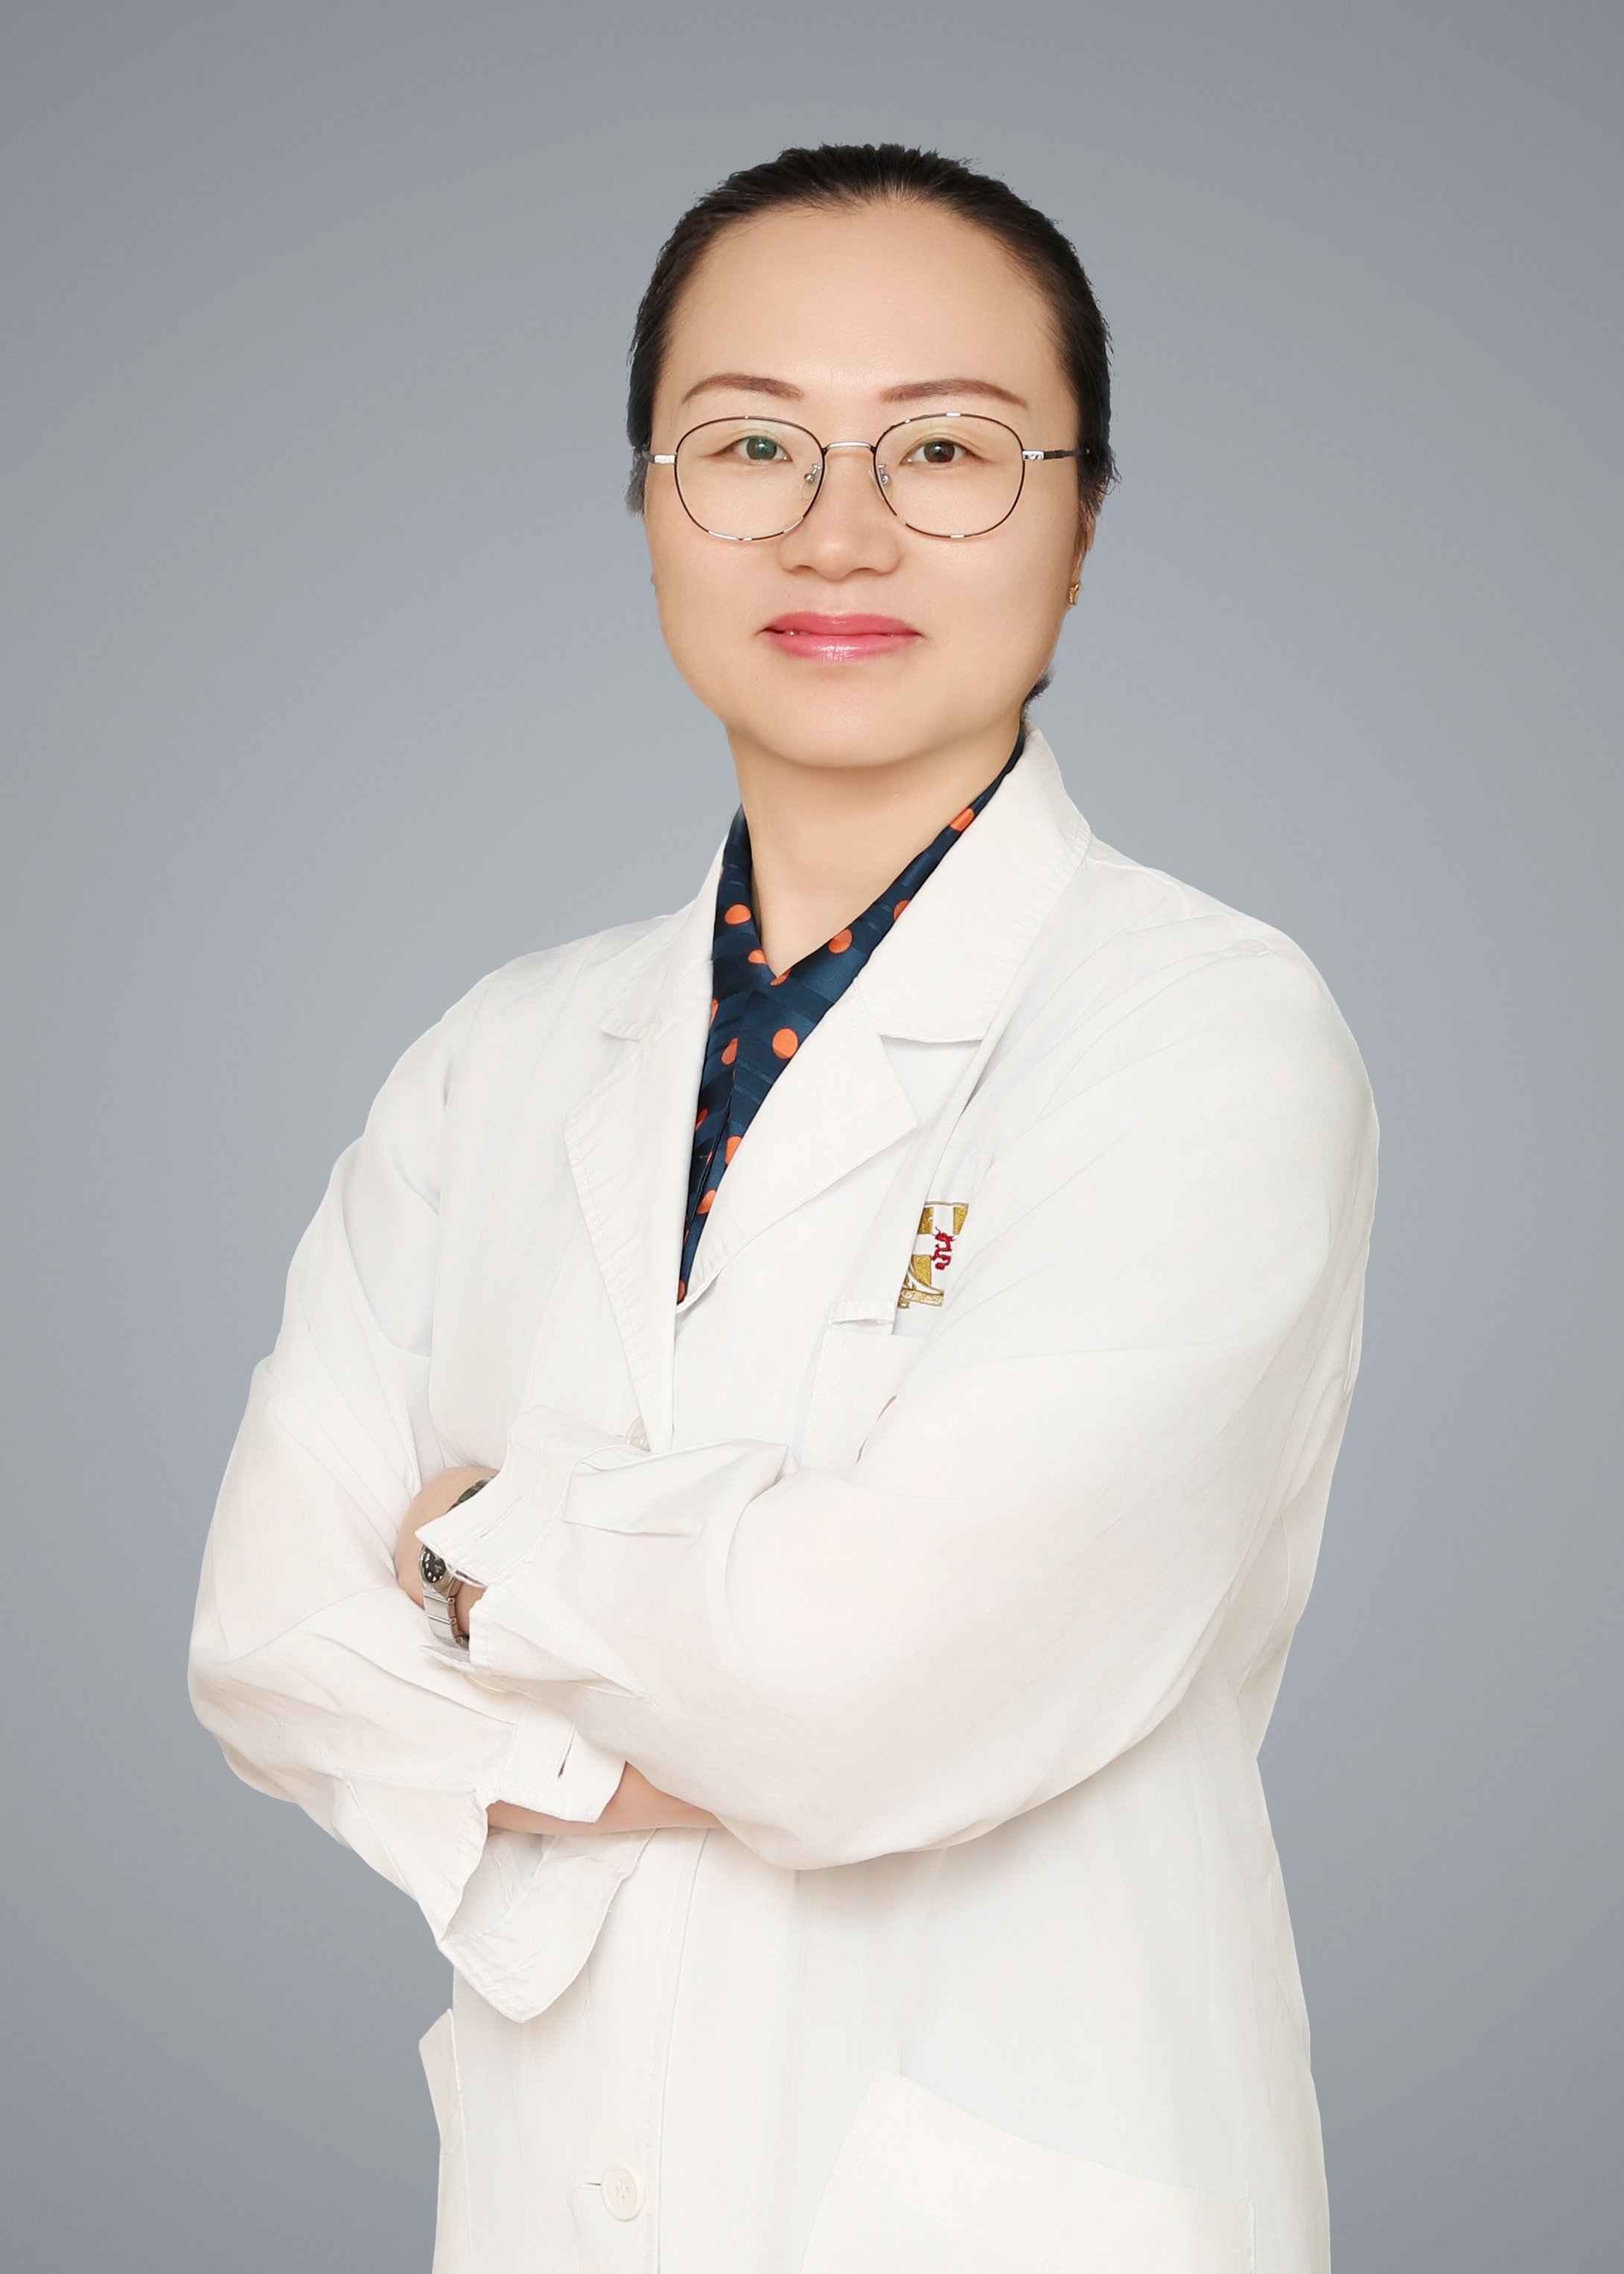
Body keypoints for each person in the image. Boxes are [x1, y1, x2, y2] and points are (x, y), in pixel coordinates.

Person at [190, 142, 1377, 2274]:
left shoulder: (1202, 1032)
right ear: (650, 503)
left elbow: (870, 1686)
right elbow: (270, 1640)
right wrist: (699, 1713)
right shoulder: (499, 1056)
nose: (840, 528)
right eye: (750, 445)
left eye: (949, 448)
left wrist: (477, 1546)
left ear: (1085, 520)